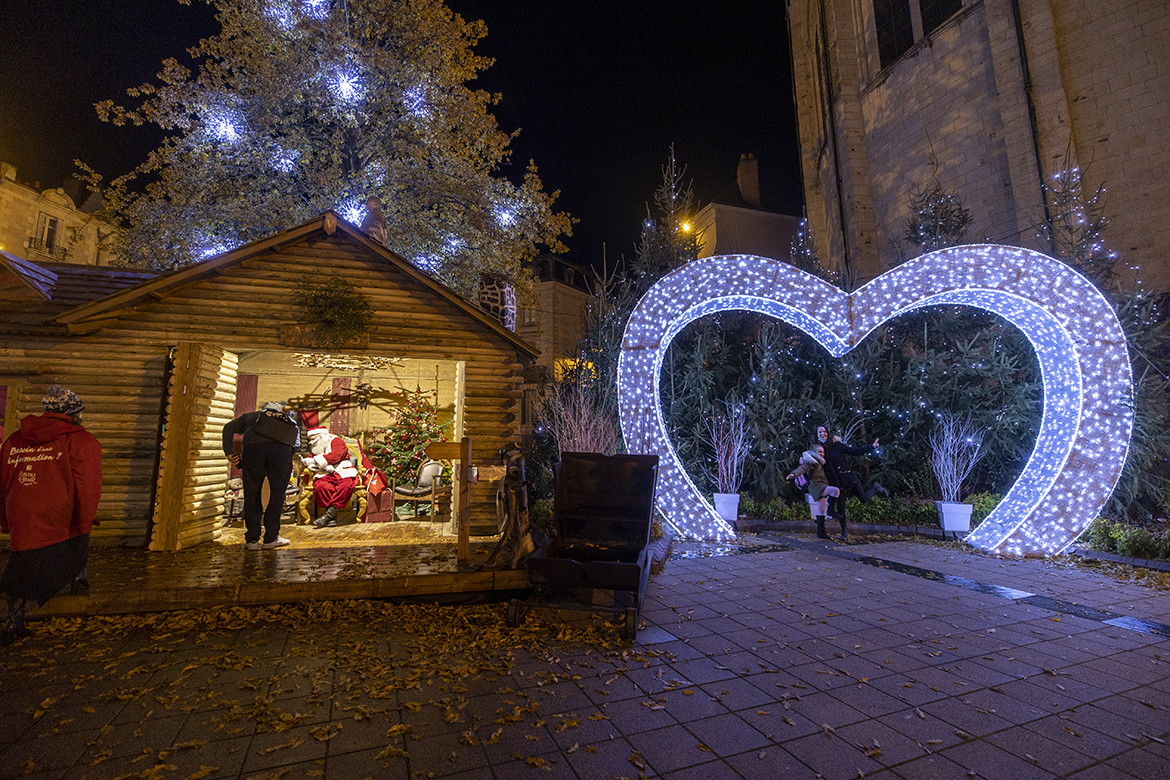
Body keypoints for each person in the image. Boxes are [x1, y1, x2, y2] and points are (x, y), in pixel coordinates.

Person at [0, 385, 102, 643]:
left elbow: (3, 479)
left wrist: (4, 517)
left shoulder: (15, 439)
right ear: (75, 413)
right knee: (71, 554)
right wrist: (84, 522)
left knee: (21, 564)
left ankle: (14, 621)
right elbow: (87, 485)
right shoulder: (81, 441)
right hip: (59, 513)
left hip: (20, 511)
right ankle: (75, 589)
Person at [222, 401, 299, 550]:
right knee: (277, 494)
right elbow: (295, 444)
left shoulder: (254, 417)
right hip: (282, 451)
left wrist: (229, 452)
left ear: (263, 410)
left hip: (253, 449)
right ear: (280, 411)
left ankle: (252, 540)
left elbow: (228, 428)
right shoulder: (289, 421)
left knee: (252, 493)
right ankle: (271, 538)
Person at [816, 425, 889, 540]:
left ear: (828, 433)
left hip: (849, 477)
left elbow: (855, 451)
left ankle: (876, 488)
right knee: (841, 507)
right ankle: (844, 531)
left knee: (864, 499)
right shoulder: (819, 450)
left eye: (824, 432)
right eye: (820, 432)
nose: (823, 434)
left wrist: (872, 446)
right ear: (817, 435)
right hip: (837, 483)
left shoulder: (837, 446)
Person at [302, 427, 358, 528]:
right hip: (325, 473)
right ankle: (331, 518)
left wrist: (317, 461)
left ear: (321, 436)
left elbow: (336, 455)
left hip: (342, 470)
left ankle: (327, 517)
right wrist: (309, 462)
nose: (311, 442)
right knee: (321, 486)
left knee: (346, 486)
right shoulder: (316, 446)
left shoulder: (336, 441)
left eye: (313, 439)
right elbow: (312, 458)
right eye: (310, 439)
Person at [786, 444, 841, 540]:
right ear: (814, 452)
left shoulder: (822, 462)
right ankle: (831, 510)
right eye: (819, 451)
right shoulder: (811, 461)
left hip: (822, 485)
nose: (822, 453)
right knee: (835, 491)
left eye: (823, 452)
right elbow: (803, 468)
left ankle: (821, 533)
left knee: (821, 511)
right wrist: (793, 474)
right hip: (816, 486)